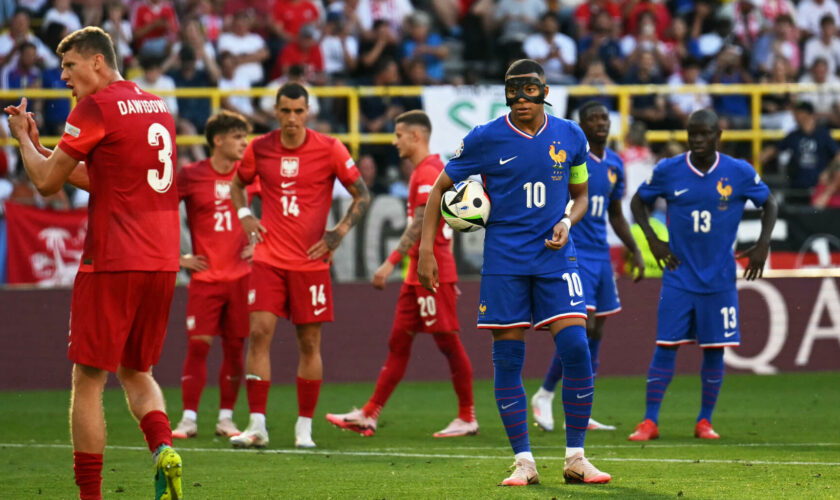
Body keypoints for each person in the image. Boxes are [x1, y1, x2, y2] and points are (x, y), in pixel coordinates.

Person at [4, 26, 183, 500]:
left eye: (70, 66)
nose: (64, 76)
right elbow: (106, 179)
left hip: (113, 258)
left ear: (97, 62)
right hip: (162, 260)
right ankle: (164, 448)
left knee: (87, 378)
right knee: (136, 370)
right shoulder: (155, 105)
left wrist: (22, 139)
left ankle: (90, 496)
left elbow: (45, 184)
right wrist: (47, 152)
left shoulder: (96, 107)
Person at [418, 59, 611, 486]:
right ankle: (524, 460)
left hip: (556, 257)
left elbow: (580, 196)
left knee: (576, 345)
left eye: (529, 90)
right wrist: (425, 252)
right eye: (512, 91)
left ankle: (576, 457)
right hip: (505, 260)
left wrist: (567, 222)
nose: (520, 99)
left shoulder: (570, 134)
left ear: (544, 91)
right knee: (508, 359)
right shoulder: (485, 138)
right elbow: (439, 190)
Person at [229, 82, 370, 449]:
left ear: (308, 112)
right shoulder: (259, 148)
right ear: (276, 111)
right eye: (286, 111)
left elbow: (362, 194)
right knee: (259, 332)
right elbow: (237, 184)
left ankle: (303, 428)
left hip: (310, 263)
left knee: (309, 342)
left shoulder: (330, 148)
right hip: (269, 257)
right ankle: (257, 425)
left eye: (299, 111)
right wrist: (245, 215)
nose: (292, 118)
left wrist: (338, 232)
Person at [325, 110, 478, 438]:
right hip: (419, 275)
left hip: (430, 271)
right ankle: (369, 413)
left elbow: (422, 219)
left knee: (448, 342)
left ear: (416, 137)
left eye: (398, 135)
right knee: (398, 342)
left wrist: (389, 262)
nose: (394, 142)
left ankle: (467, 416)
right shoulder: (427, 170)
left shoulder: (429, 171)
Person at [628, 109, 777, 442]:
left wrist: (762, 243)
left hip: (720, 278)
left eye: (704, 134)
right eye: (692, 134)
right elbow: (638, 203)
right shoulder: (669, 170)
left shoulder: (738, 172)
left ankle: (704, 421)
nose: (696, 139)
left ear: (717, 136)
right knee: (665, 346)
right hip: (679, 276)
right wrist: (654, 241)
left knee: (714, 349)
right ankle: (649, 421)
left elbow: (770, 204)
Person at [531, 101, 645, 433]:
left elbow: (615, 213)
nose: (600, 123)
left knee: (598, 332)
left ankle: (581, 408)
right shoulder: (571, 159)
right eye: (593, 119)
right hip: (574, 251)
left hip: (601, 255)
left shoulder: (615, 164)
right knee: (584, 328)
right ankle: (545, 393)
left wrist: (634, 248)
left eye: (604, 118)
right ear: (580, 125)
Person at [171, 110, 253, 441]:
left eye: (245, 138)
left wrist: (262, 246)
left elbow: (279, 207)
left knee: (235, 350)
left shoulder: (248, 175)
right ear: (218, 140)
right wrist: (178, 258)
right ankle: (188, 419)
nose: (244, 144)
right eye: (238, 137)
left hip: (240, 277)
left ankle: (226, 419)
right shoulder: (190, 175)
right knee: (199, 347)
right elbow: (161, 212)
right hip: (205, 279)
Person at [759, 100, 840, 204]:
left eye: (797, 113)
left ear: (806, 114)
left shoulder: (823, 135)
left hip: (817, 188)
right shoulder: (794, 135)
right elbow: (776, 148)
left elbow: (837, 155)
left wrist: (827, 172)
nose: (794, 116)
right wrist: (762, 155)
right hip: (797, 186)